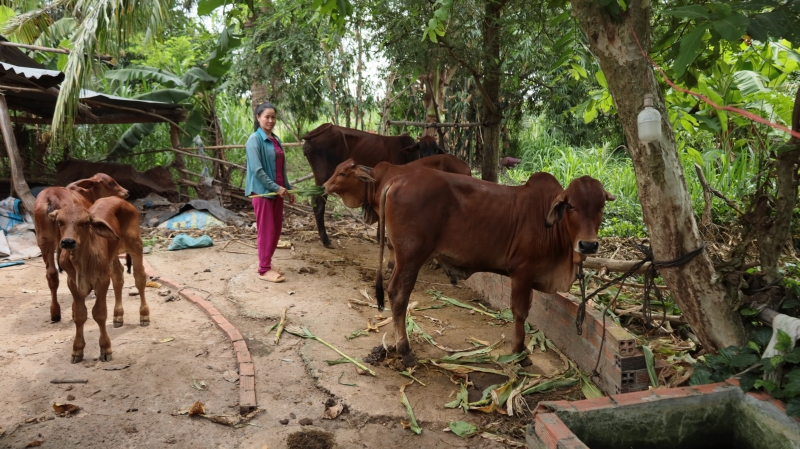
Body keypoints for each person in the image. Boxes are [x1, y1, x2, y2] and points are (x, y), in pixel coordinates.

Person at [245, 102, 295, 282]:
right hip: (263, 192)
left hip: (278, 192)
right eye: (266, 117)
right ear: (258, 118)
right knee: (266, 230)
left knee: (276, 229)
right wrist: (276, 188)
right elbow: (258, 171)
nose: (270, 120)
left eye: (273, 117)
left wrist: (287, 189)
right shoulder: (254, 140)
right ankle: (264, 269)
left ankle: (267, 262)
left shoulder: (275, 139)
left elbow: (281, 169)